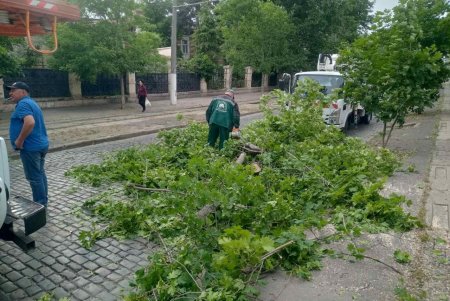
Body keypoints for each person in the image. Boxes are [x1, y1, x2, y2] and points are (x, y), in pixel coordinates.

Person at [7, 82, 49, 207]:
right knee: (40, 174)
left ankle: (40, 204)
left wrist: (19, 140)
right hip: (41, 145)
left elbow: (29, 122)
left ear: (23, 92)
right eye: (10, 91)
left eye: (13, 90)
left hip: (31, 147)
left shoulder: (23, 104)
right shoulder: (32, 102)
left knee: (34, 177)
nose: (10, 93)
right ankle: (43, 200)